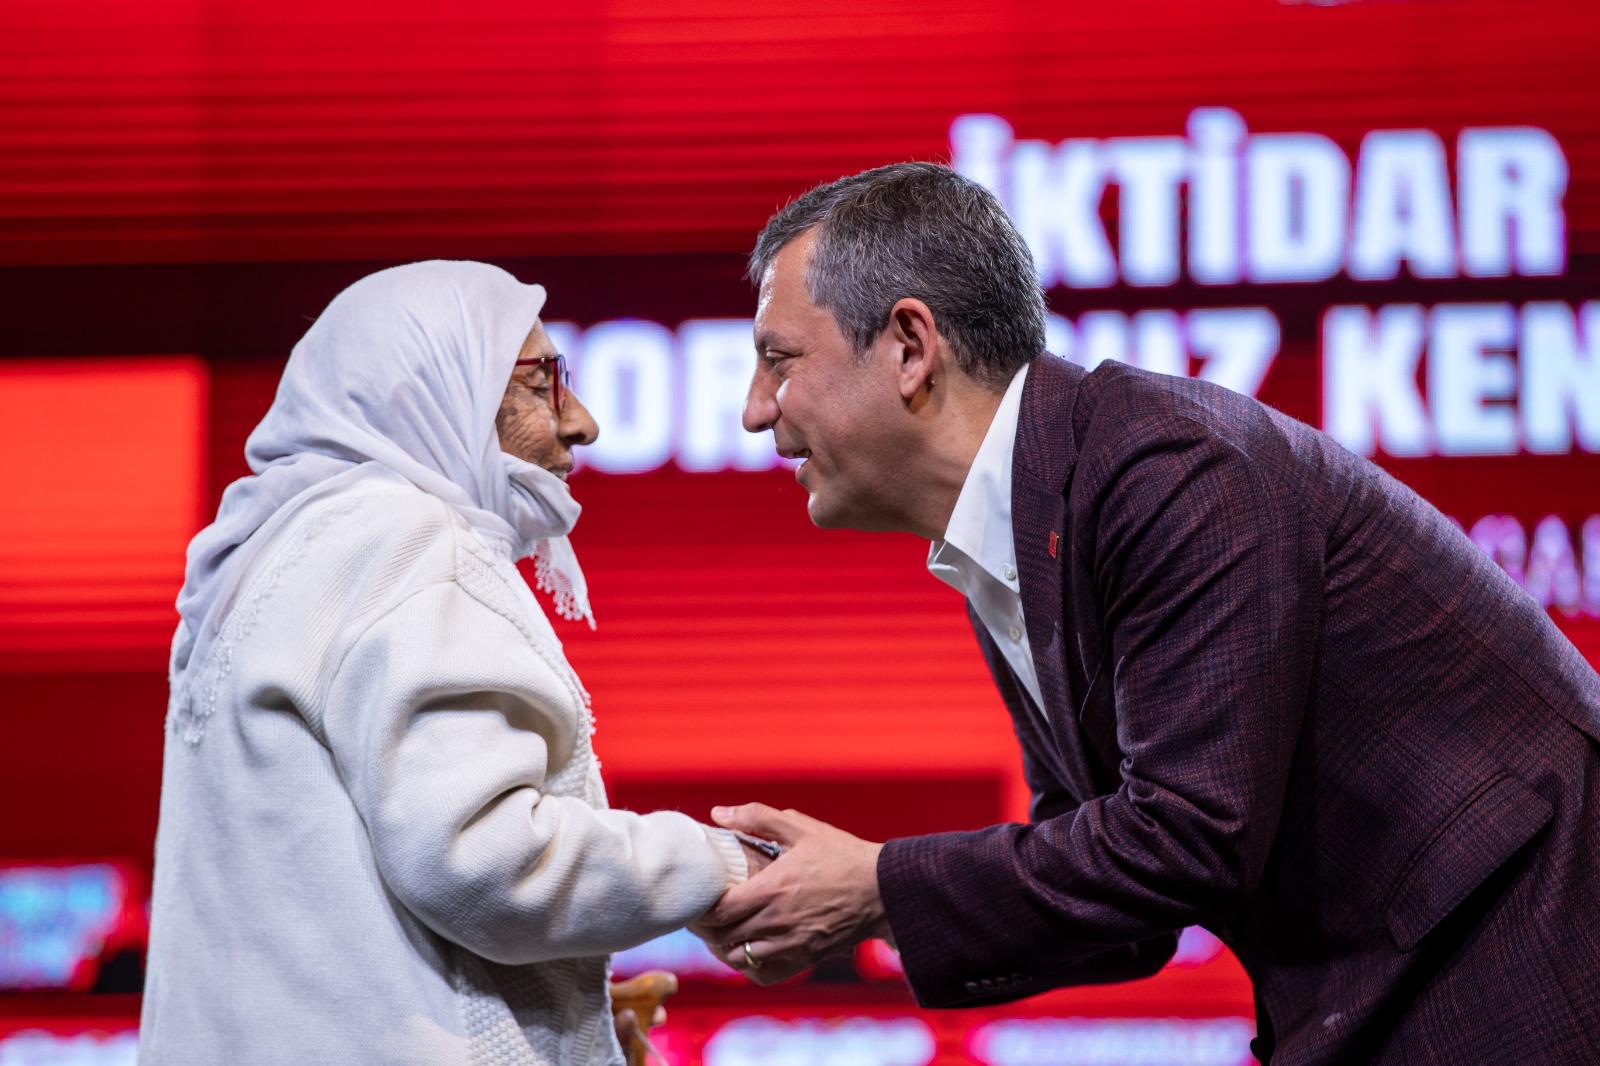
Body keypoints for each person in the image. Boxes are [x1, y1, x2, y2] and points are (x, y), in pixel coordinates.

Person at [695, 163, 1600, 1063]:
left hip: (1532, 966)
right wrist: (858, 905)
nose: (754, 411)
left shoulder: (1169, 468)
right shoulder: (1012, 526)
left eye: (780, 360)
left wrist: (879, 886)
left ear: (909, 346)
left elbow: (1189, 841)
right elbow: (1121, 913)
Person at [140, 261, 764, 1065]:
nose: (582, 424)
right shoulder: (404, 541)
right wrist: (719, 865)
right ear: (436, 386)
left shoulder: (262, 558)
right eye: (542, 383)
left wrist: (560, 1022)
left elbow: (310, 925)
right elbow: (488, 864)